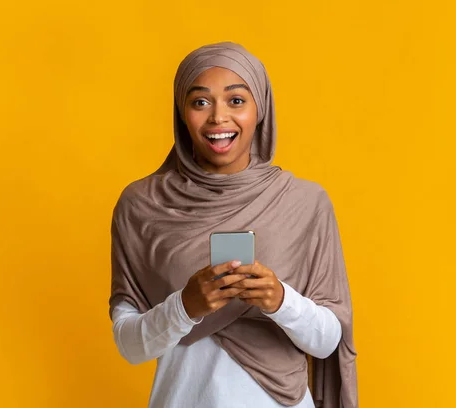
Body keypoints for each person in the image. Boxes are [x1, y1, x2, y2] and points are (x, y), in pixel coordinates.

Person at [109, 42, 358, 408]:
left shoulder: (304, 203)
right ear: (182, 112)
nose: (218, 118)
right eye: (200, 102)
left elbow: (328, 341)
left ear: (261, 110)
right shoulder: (142, 206)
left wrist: (280, 300)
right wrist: (185, 306)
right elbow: (129, 346)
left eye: (236, 101)